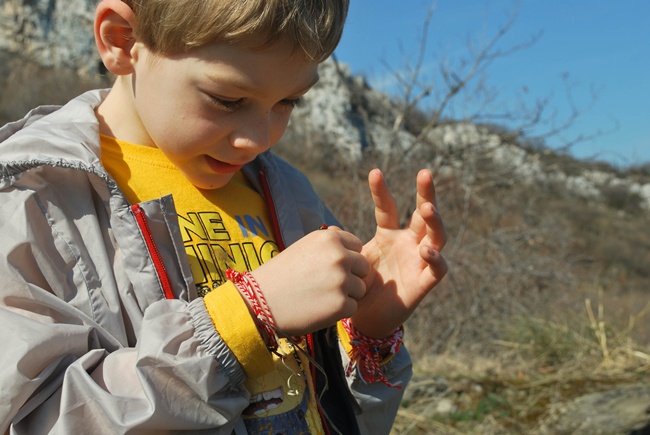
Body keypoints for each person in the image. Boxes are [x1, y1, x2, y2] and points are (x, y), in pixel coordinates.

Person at [0, 0, 448, 433]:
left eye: (290, 102)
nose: (259, 139)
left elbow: (339, 413)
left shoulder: (292, 196)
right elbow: (32, 418)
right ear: (123, 40)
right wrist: (243, 318)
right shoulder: (31, 199)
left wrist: (366, 334)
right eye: (227, 99)